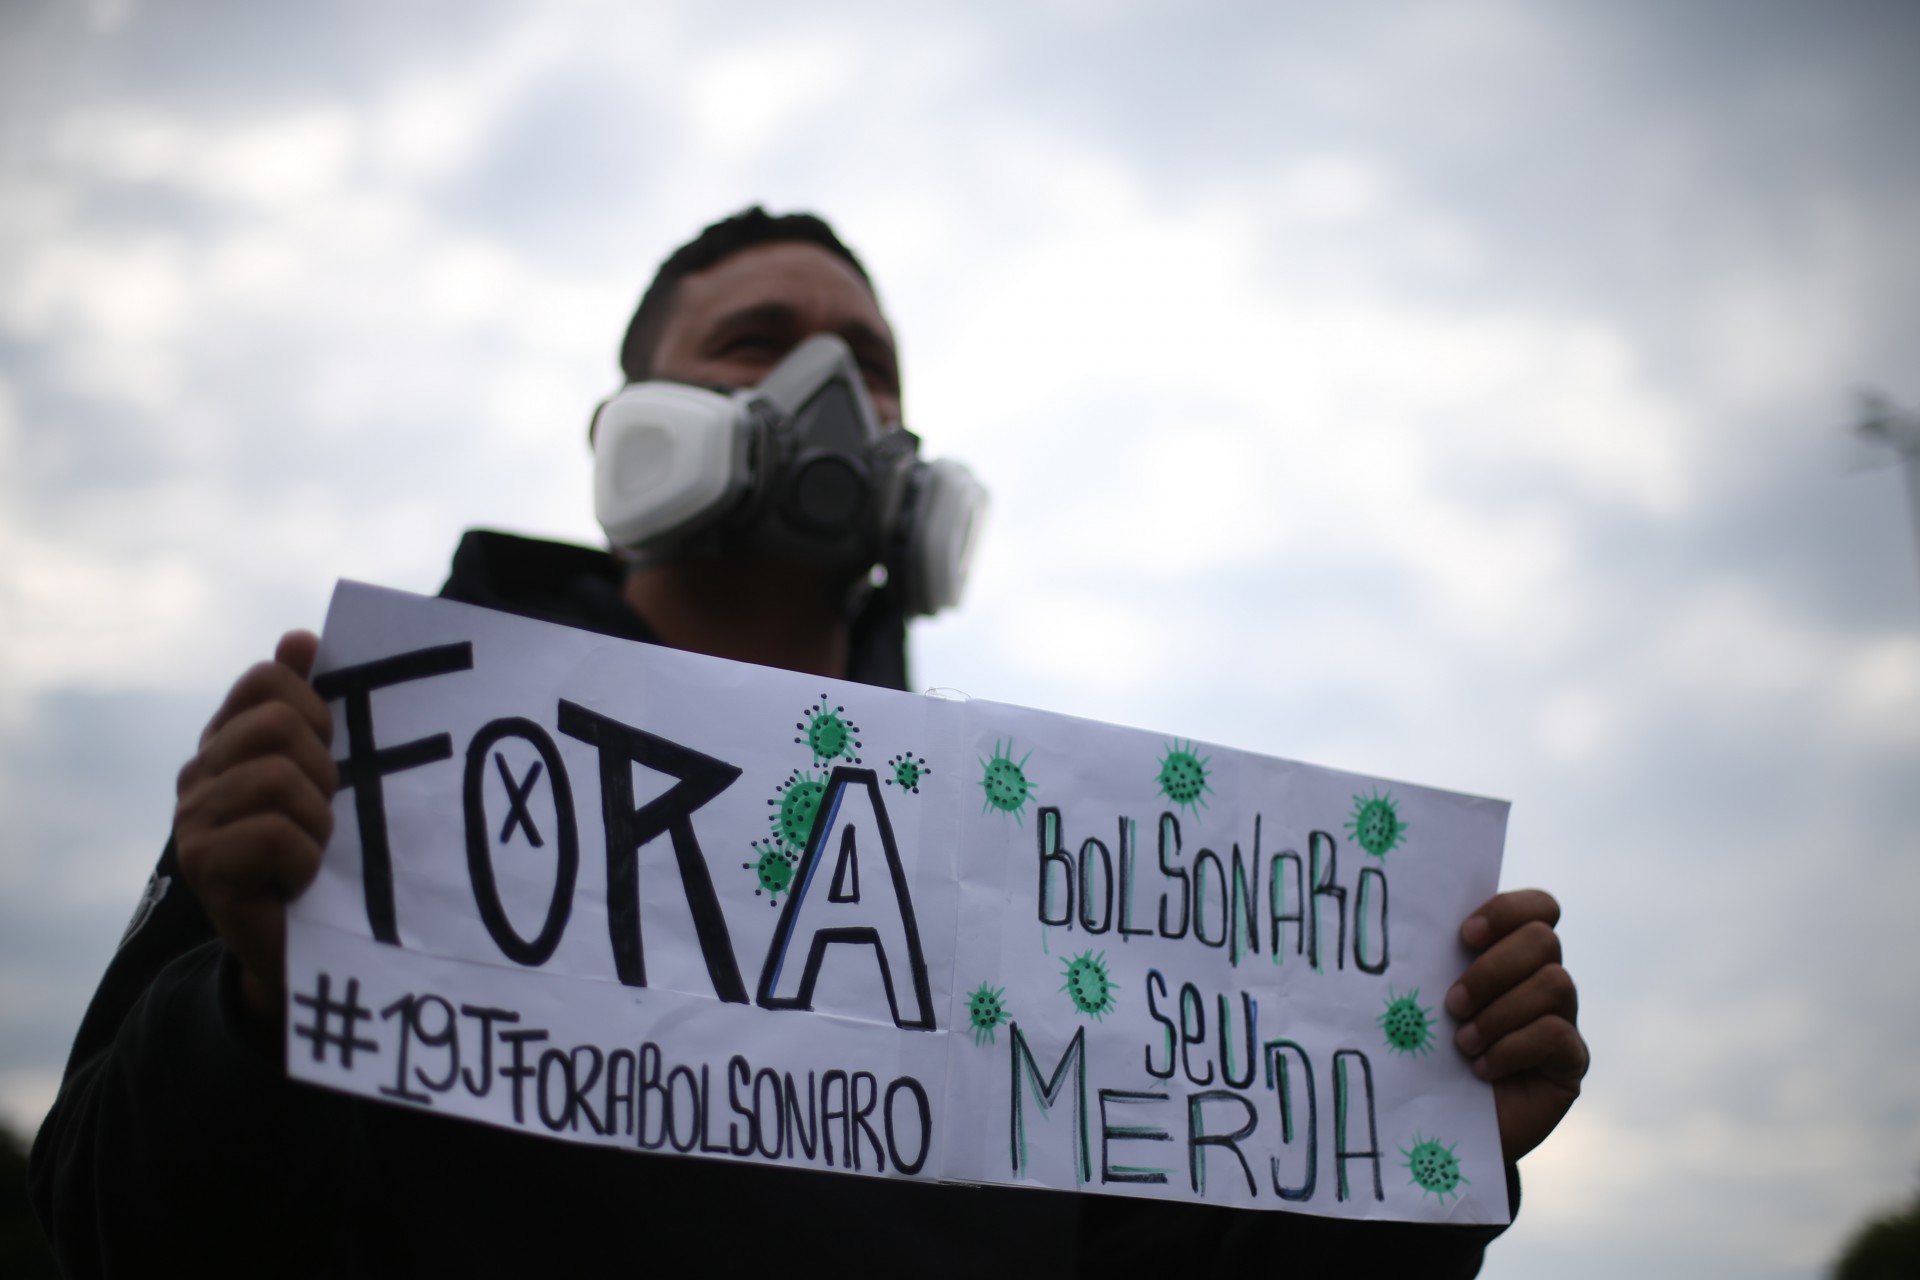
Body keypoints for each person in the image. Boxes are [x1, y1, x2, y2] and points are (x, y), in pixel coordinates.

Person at [30, 208, 1588, 1276]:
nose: (832, 386)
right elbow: (102, 1234)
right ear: (638, 426)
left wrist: (1437, 1146)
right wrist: (253, 1010)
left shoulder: (1026, 862)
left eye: (871, 360)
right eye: (756, 338)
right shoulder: (375, 753)